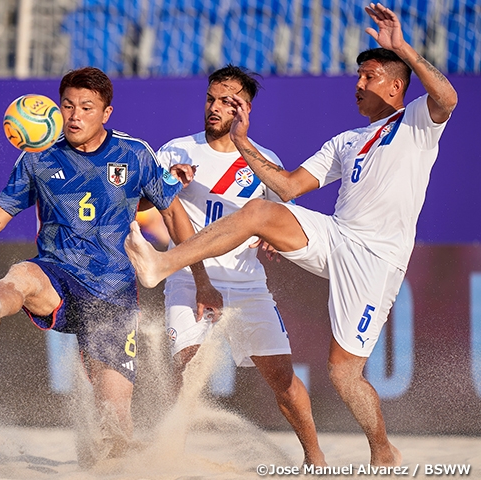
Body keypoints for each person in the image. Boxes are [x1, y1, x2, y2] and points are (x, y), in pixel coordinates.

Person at [124, 3, 457, 467]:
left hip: (376, 258)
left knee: (343, 375)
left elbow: (448, 97)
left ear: (397, 86)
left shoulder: (418, 120)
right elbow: (287, 187)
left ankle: (382, 450)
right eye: (357, 76)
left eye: (369, 76)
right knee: (262, 209)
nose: (358, 85)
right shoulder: (346, 141)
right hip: (337, 236)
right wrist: (242, 143)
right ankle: (164, 264)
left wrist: (402, 48)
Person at [0, 66, 221, 465]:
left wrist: (201, 280)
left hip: (113, 291)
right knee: (23, 276)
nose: (74, 115)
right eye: (67, 105)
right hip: (58, 271)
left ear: (106, 113)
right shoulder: (38, 156)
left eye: (86, 107)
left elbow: (173, 215)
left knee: (116, 413)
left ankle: (116, 465)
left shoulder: (134, 154)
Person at [153, 64, 325, 466]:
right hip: (187, 278)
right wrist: (168, 185)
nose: (215, 108)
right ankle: (167, 459)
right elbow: (145, 208)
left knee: (281, 379)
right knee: (185, 370)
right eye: (211, 99)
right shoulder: (177, 150)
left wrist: (273, 238)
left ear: (245, 110)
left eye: (227, 102)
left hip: (246, 283)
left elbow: (284, 216)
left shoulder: (264, 160)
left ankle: (316, 459)